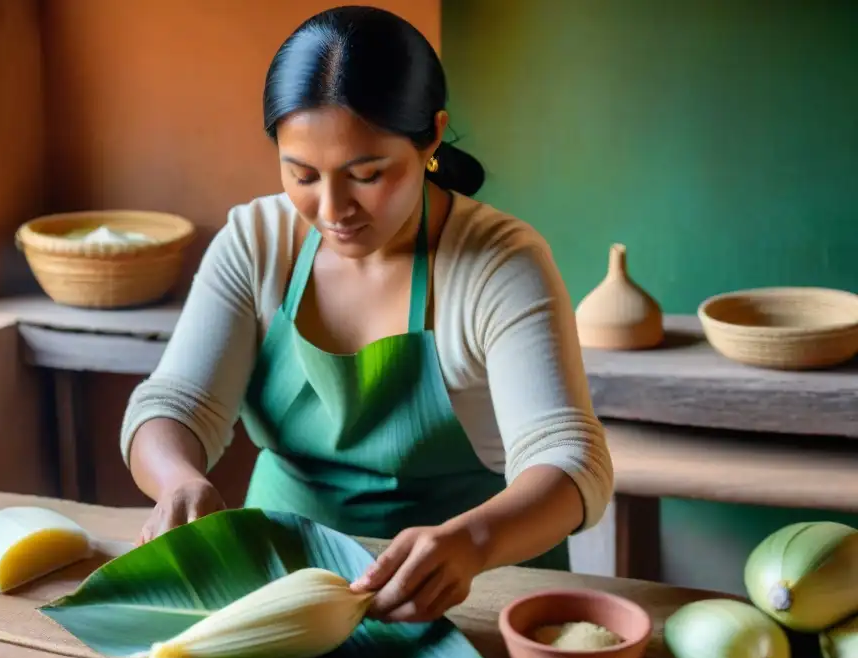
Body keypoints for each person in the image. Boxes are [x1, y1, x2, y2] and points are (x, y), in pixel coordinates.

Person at [120, 5, 613, 625]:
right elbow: (171, 406)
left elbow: (571, 462)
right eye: (301, 174)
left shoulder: (498, 263)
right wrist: (176, 481)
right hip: (285, 579)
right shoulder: (256, 242)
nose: (332, 210)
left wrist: (472, 543)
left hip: (476, 589)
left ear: (431, 136)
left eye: (367, 174)